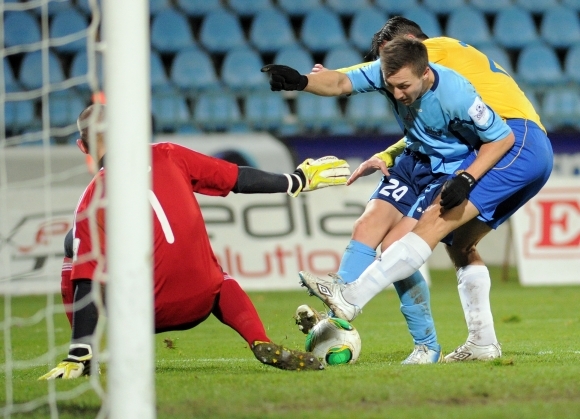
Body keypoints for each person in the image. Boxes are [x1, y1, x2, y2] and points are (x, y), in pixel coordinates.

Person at [263, 16, 551, 363]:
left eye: (389, 59)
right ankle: (482, 343)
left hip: (514, 140)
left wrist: (467, 177)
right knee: (461, 243)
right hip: (503, 147)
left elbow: (494, 135)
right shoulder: (418, 78)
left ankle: (352, 299)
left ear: (413, 47)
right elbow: (347, 84)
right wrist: (305, 80)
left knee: (432, 221)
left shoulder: (437, 57)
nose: (388, 79)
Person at [39, 104, 351, 379]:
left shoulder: (91, 200)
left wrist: (79, 347)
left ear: (83, 146)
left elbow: (87, 280)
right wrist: (296, 180)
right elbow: (238, 178)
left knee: (75, 249)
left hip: (140, 314)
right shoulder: (168, 154)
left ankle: (82, 355)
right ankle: (259, 340)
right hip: (202, 298)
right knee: (220, 277)